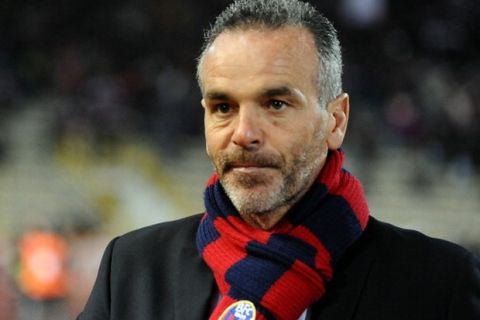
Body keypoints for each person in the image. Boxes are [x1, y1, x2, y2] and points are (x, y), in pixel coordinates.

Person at [78, 0, 480, 319]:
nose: (244, 133)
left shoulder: (436, 283)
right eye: (222, 107)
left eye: (275, 104)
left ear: (336, 121)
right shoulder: (132, 268)